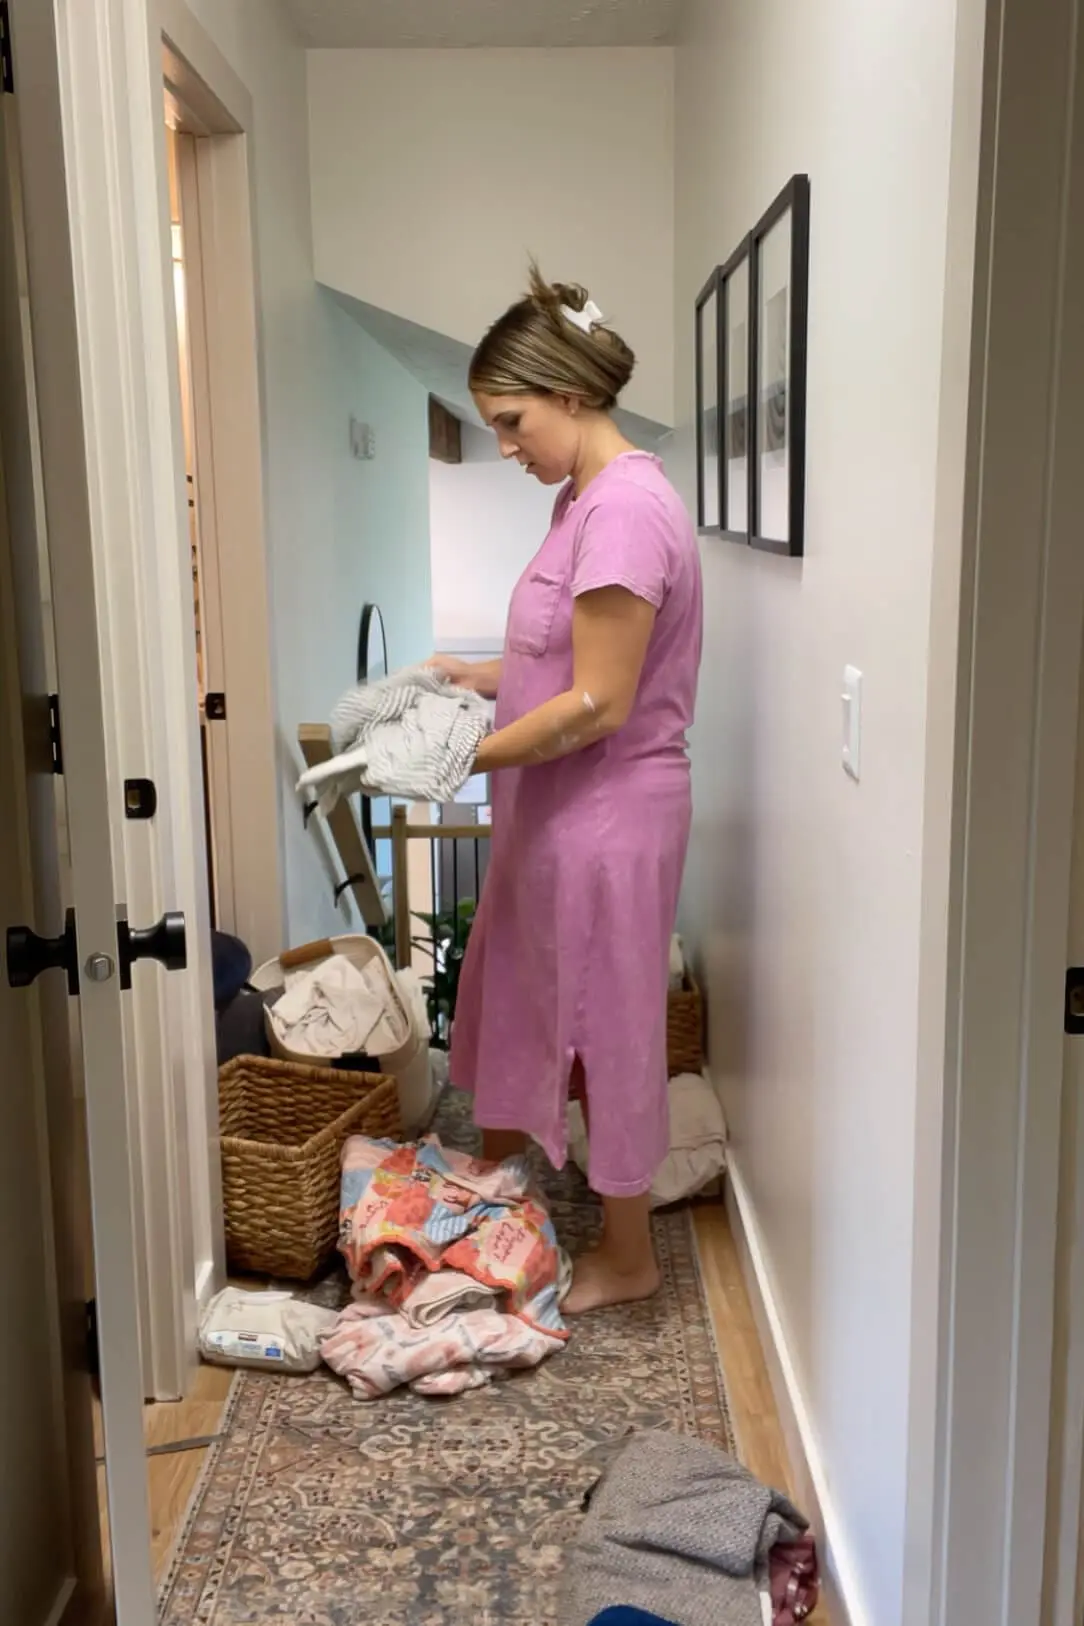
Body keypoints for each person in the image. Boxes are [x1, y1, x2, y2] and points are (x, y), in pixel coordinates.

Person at [431, 266, 703, 1315]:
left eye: (511, 420)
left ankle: (629, 1256)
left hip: (605, 814)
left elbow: (597, 702)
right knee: (523, 993)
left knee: (607, 1019)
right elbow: (558, 655)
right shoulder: (577, 498)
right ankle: (503, 1192)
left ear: (572, 394)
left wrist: (466, 756)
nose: (504, 445)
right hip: (555, 811)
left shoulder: (628, 510)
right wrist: (476, 680)